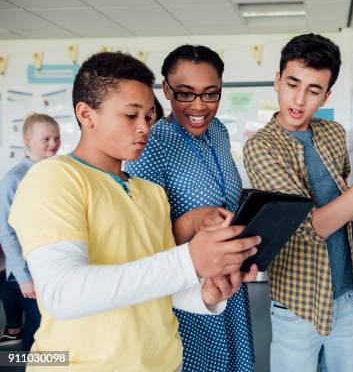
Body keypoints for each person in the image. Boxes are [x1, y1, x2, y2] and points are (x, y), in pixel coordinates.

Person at [8, 52, 260, 371]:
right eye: (131, 115)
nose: (144, 128)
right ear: (87, 114)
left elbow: (159, 286)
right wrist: (188, 260)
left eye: (150, 116)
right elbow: (63, 292)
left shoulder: (151, 193)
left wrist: (206, 293)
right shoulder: (54, 178)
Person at [243, 33, 353, 371]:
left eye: (313, 91)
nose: (299, 99)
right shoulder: (262, 147)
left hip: (345, 295)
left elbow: (348, 205)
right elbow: (311, 227)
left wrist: (349, 200)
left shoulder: (334, 133)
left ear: (326, 95)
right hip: (298, 303)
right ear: (277, 81)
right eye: (292, 84)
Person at [125, 45, 255, 372]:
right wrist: (192, 220)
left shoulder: (220, 132)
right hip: (185, 290)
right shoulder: (152, 143)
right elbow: (142, 240)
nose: (199, 106)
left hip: (230, 284)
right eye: (186, 94)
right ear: (167, 90)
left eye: (210, 94)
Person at [0, 113, 60, 350]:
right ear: (28, 140)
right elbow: (6, 232)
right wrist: (24, 278)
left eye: (56, 138)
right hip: (28, 272)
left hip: (52, 265)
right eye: (46, 138)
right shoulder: (13, 179)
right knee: (36, 330)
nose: (53, 144)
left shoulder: (58, 170)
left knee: (51, 326)